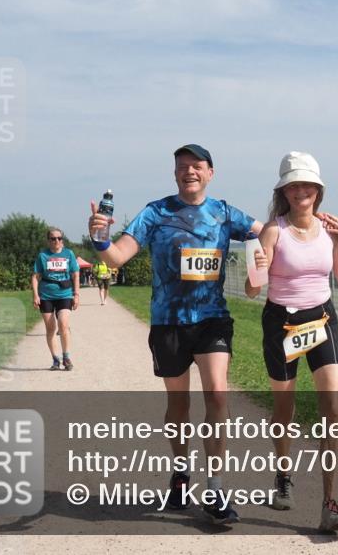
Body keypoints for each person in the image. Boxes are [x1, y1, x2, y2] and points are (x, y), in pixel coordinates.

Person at [88, 144, 262, 525]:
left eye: (197, 166)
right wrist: (99, 239)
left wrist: (290, 238)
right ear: (175, 174)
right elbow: (116, 258)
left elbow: (268, 234)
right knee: (179, 404)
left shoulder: (225, 212)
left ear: (211, 172)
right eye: (182, 167)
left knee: (217, 393)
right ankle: (181, 471)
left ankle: (215, 487)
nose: (190, 172)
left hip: (212, 318)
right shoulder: (156, 212)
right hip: (168, 322)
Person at [245, 151, 338, 532]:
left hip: (322, 318)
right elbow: (251, 290)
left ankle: (330, 503)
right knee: (285, 411)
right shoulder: (274, 231)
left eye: (307, 184)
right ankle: (283, 476)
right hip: (282, 323)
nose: (301, 191)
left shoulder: (330, 230)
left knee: (333, 411)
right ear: (285, 190)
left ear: (318, 190)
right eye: (294, 185)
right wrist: (257, 269)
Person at [31, 227, 81, 371]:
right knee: (51, 328)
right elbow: (35, 276)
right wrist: (35, 295)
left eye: (59, 238)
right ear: (48, 241)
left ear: (62, 240)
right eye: (53, 238)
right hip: (46, 295)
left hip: (64, 294)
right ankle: (55, 359)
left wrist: (76, 294)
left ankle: (66, 357)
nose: (57, 241)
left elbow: (75, 274)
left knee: (63, 324)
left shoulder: (68, 254)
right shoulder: (43, 256)